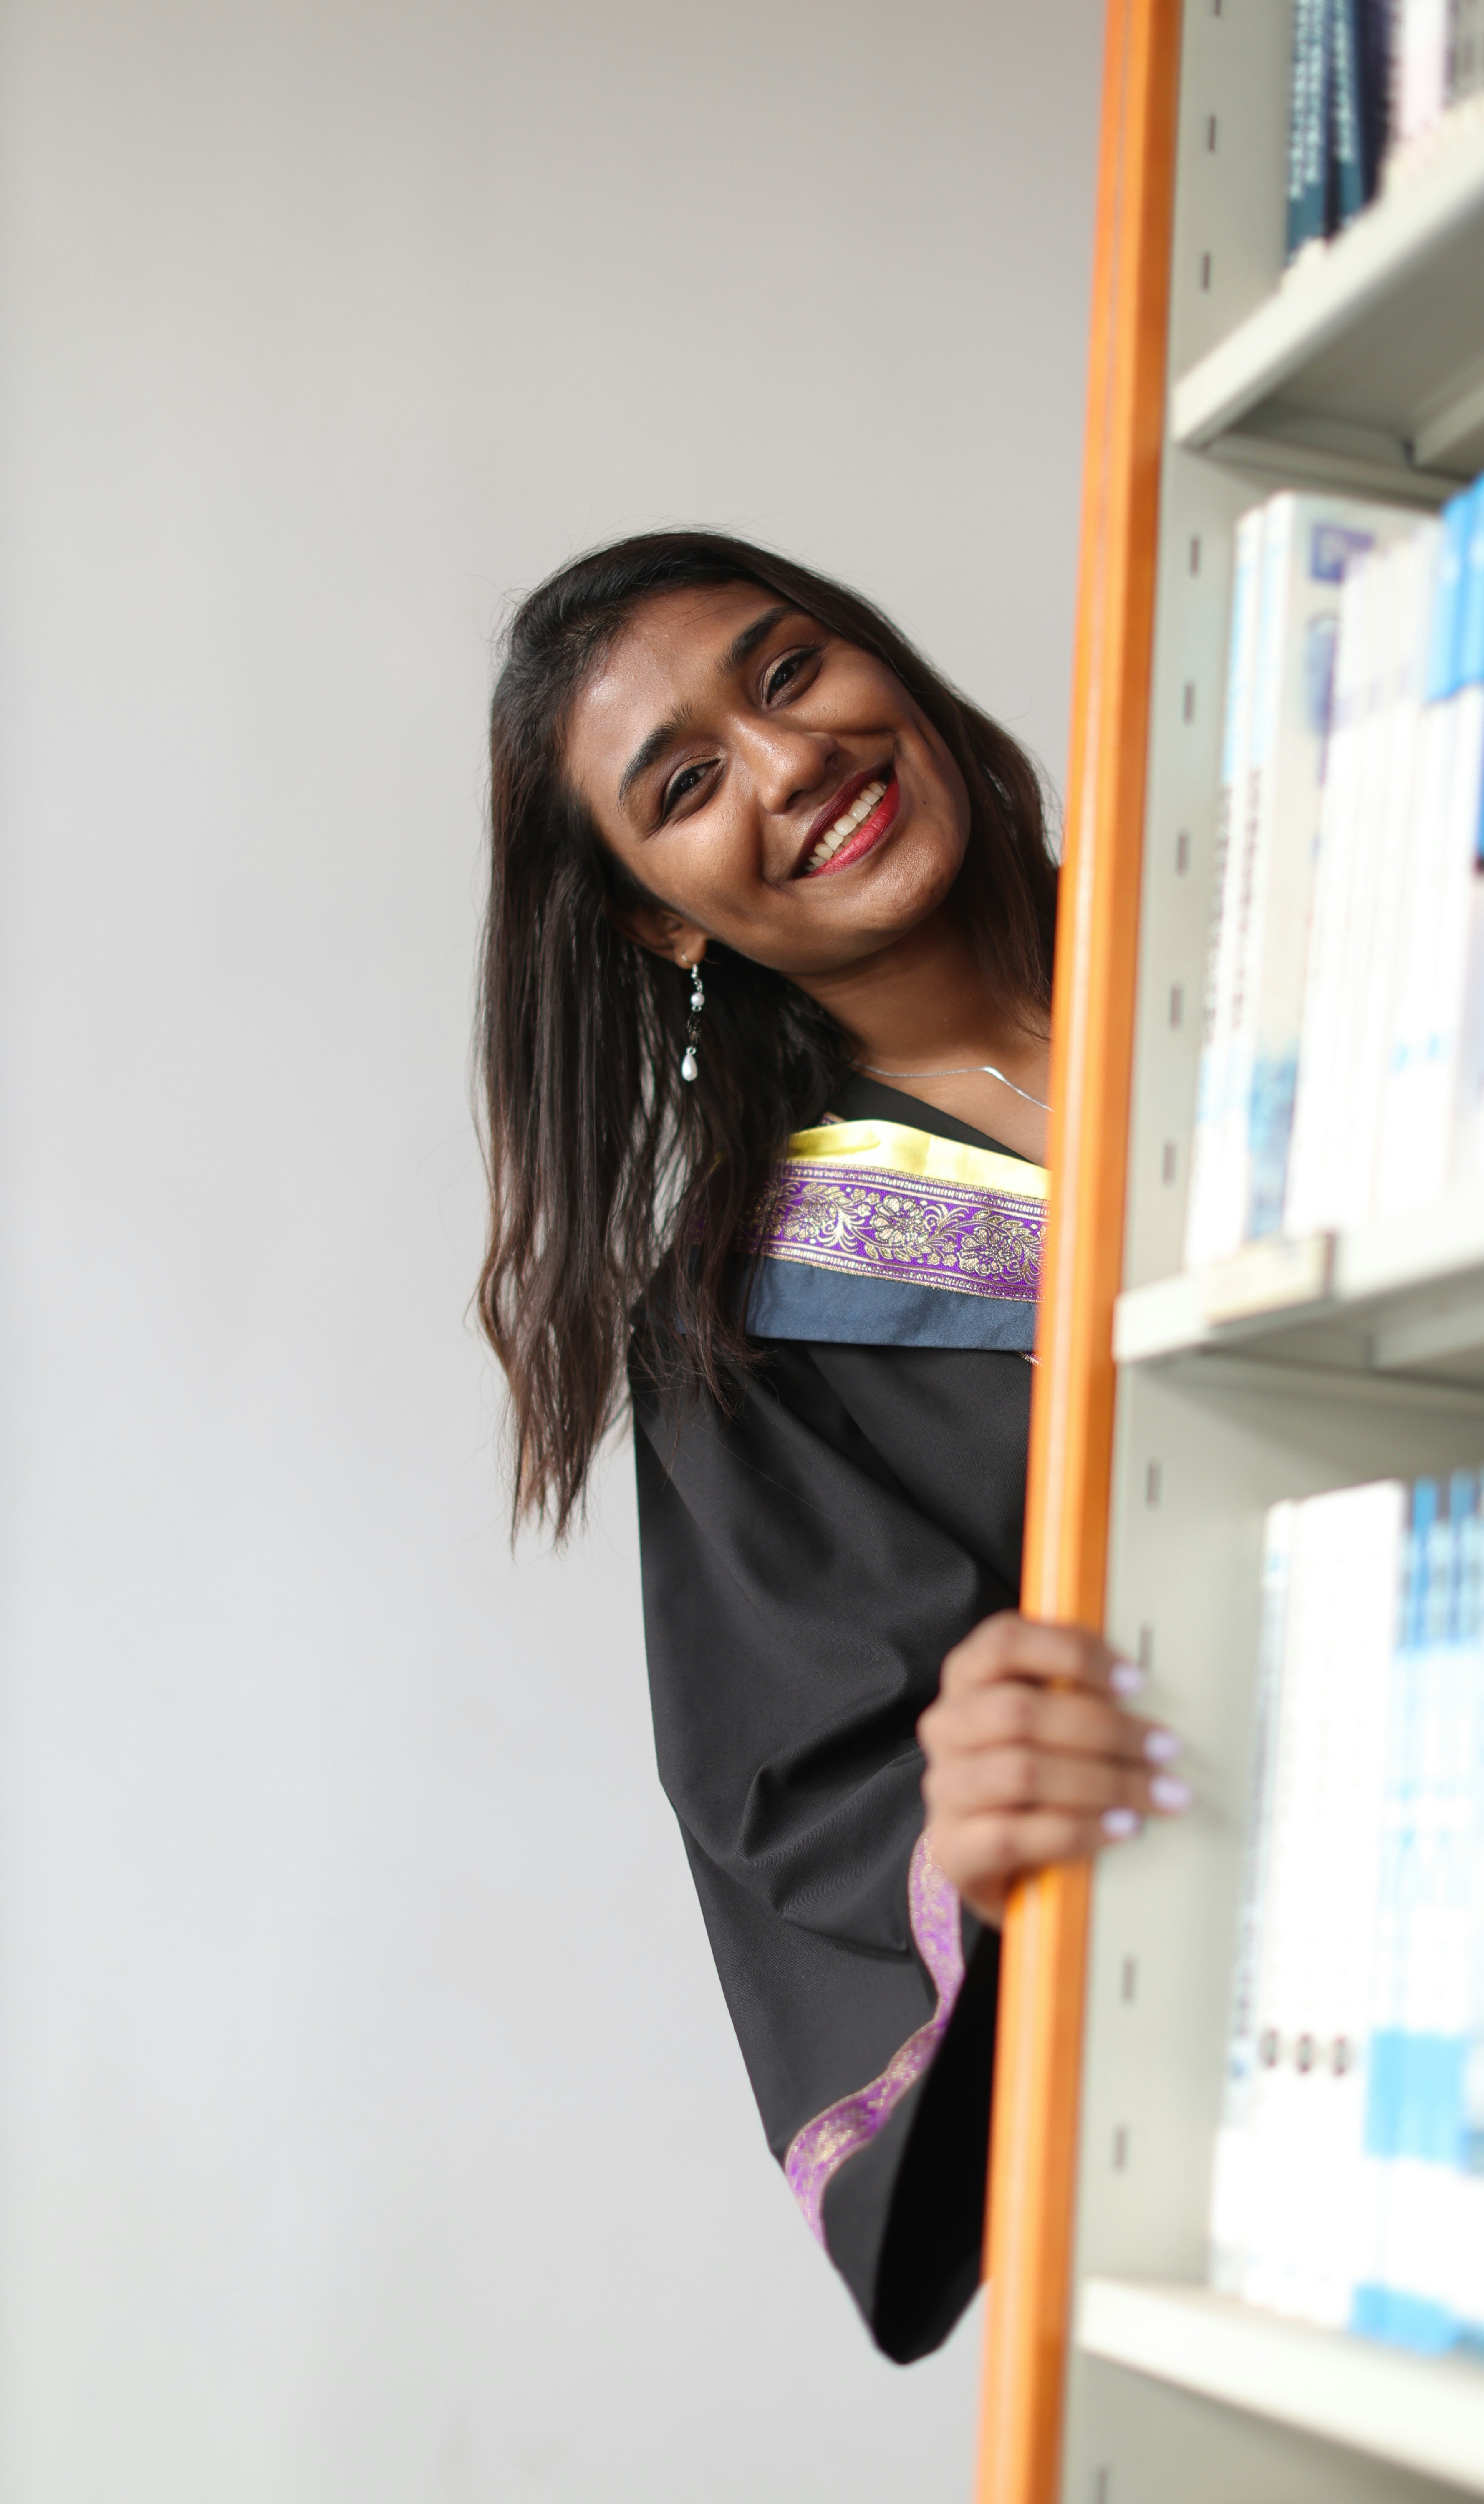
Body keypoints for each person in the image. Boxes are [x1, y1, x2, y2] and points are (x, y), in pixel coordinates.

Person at [475, 533, 1190, 2361]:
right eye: (687, 784)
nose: (793, 761)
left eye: (790, 671)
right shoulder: (760, 1338)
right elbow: (832, 1806)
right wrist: (980, 1813)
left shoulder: (1253, 906)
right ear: (660, 916)